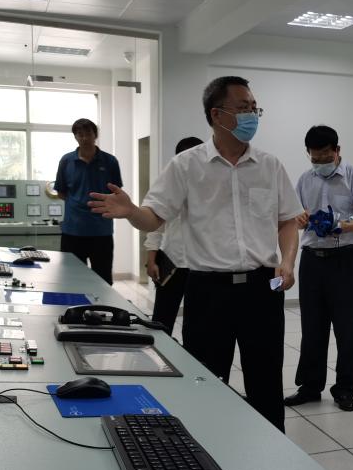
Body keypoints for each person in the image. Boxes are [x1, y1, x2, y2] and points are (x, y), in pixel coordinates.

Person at [88, 76, 301, 431]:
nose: (252, 115)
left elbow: (288, 221)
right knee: (206, 379)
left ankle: (274, 454)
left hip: (263, 289)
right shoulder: (186, 166)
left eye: (255, 108)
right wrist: (131, 212)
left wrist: (288, 261)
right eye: (243, 108)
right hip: (208, 290)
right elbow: (154, 216)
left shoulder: (270, 165)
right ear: (217, 114)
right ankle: (208, 449)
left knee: (266, 379)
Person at [284, 125, 353, 412]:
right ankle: (310, 386)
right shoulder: (305, 179)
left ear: (337, 150)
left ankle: (345, 389)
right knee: (312, 327)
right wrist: (300, 218)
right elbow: (293, 215)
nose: (320, 162)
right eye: (315, 158)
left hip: (345, 260)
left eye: (325, 156)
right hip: (312, 260)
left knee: (347, 328)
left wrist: (343, 226)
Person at [144, 136, 204, 336]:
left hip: (202, 265)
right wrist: (151, 259)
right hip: (172, 261)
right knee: (162, 318)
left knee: (198, 322)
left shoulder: (211, 185)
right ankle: (158, 352)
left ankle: (192, 355)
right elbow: (156, 225)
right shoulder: (168, 185)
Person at [52, 118, 122, 284]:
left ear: (95, 135)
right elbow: (61, 192)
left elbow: (116, 193)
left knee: (103, 280)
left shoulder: (110, 161)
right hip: (73, 231)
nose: (84, 138)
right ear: (75, 137)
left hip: (101, 231)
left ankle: (102, 303)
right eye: (80, 134)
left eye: (88, 134)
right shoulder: (66, 161)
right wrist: (78, 203)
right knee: (72, 280)